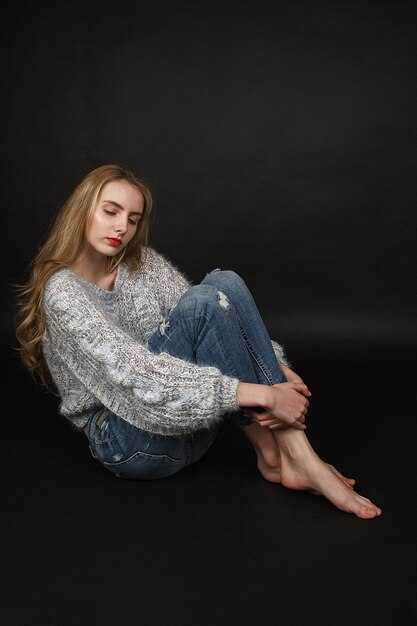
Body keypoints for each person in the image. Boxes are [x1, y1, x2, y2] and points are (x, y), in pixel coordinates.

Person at [15, 164, 382, 520]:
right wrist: (268, 393)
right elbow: (140, 376)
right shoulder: (62, 291)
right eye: (110, 211)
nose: (121, 227)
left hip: (189, 427)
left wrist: (273, 364)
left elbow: (218, 315)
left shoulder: (141, 263)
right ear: (82, 211)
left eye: (133, 219)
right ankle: (298, 457)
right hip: (131, 445)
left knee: (225, 283)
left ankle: (278, 456)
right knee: (204, 303)